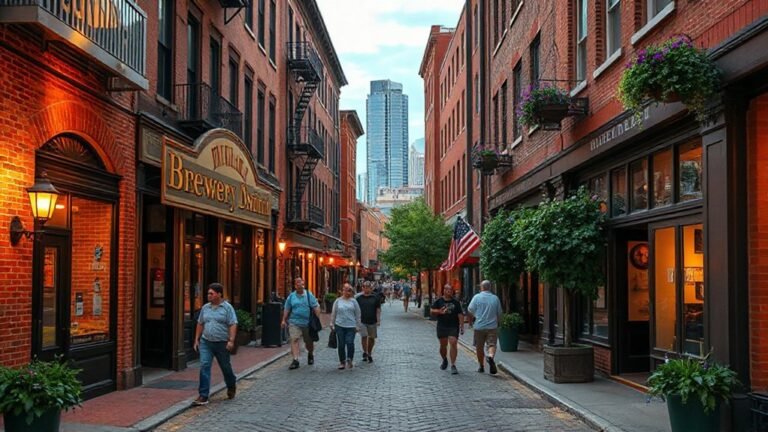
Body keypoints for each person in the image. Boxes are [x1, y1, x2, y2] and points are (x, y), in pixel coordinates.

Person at [193, 283, 238, 406]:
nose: (209, 296)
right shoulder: (205, 308)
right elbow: (200, 323)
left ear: (219, 294)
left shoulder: (227, 308)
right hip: (206, 342)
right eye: (208, 293)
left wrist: (231, 341)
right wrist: (196, 339)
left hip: (222, 343)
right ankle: (203, 395)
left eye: (211, 293)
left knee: (225, 367)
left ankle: (231, 384)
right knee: (204, 365)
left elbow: (233, 324)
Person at [281, 277, 321, 370]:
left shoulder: (308, 295)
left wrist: (316, 319)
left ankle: (310, 353)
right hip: (294, 322)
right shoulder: (291, 296)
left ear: (304, 285)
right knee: (294, 339)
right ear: (295, 286)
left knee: (309, 342)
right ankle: (295, 360)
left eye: (302, 284)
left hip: (307, 323)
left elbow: (316, 307)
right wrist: (283, 320)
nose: (300, 286)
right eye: (298, 284)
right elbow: (287, 308)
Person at [467, 280, 503, 374]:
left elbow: (470, 309)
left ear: (481, 287)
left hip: (479, 326)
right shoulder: (495, 298)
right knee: (492, 344)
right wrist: (499, 323)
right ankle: (490, 356)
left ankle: (481, 366)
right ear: (490, 287)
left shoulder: (477, 297)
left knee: (479, 347)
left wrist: (474, 318)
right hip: (492, 326)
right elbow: (499, 313)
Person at [430, 284, 464, 375]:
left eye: (451, 289)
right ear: (444, 290)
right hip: (442, 326)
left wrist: (462, 326)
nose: (450, 291)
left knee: (453, 342)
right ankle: (445, 359)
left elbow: (460, 314)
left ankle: (453, 365)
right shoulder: (439, 301)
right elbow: (432, 311)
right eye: (448, 289)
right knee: (443, 345)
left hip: (453, 326)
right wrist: (439, 311)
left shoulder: (456, 302)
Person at [331, 283, 362, 369]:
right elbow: (334, 313)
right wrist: (332, 323)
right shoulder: (338, 301)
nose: (348, 292)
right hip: (339, 325)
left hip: (351, 326)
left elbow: (358, 314)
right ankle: (342, 362)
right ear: (342, 291)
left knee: (350, 342)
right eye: (346, 290)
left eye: (349, 290)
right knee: (341, 344)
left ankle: (350, 359)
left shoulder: (354, 301)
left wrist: (358, 325)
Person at [356, 281, 382, 362]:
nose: (366, 288)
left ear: (371, 288)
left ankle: (369, 352)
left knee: (372, 338)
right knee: (364, 336)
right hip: (362, 321)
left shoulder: (375, 298)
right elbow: (356, 310)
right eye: (364, 287)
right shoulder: (358, 298)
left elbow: (378, 309)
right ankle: (365, 352)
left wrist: (378, 320)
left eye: (368, 287)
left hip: (372, 321)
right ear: (362, 288)